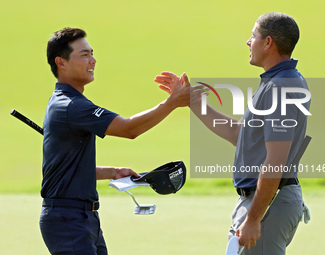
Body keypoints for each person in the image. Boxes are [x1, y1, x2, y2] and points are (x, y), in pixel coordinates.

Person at [155, 12, 310, 255]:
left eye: (253, 36)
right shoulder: (276, 82)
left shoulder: (282, 85)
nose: (249, 42)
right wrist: (194, 101)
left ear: (268, 43)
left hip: (269, 203)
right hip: (265, 202)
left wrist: (253, 218)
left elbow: (275, 162)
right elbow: (241, 134)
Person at [40, 27, 190, 255]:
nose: (93, 60)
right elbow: (129, 129)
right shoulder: (72, 106)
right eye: (84, 55)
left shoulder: (69, 102)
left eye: (92, 53)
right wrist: (171, 103)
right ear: (61, 63)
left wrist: (112, 171)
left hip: (83, 217)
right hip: (68, 219)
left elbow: (67, 169)